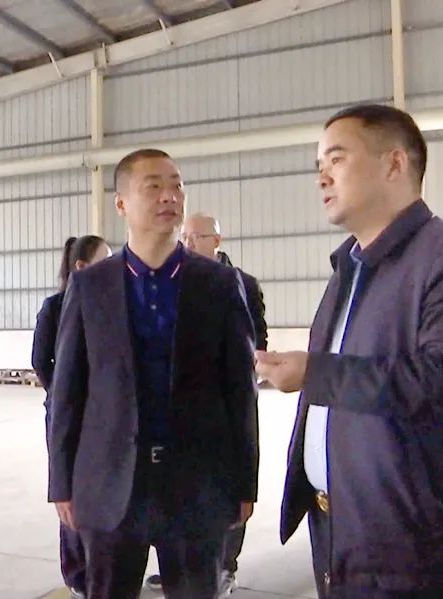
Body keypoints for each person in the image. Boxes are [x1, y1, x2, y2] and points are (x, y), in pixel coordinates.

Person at [255, 104, 443, 598]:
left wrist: (315, 374)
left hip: (413, 542)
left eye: (336, 159)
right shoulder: (349, 267)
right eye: (319, 166)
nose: (322, 177)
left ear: (395, 163)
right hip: (341, 529)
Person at [47, 148, 259, 599]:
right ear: (122, 204)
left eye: (177, 185)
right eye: (154, 187)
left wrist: (244, 481)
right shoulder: (91, 286)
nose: (170, 196)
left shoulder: (218, 284)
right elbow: (67, 391)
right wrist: (61, 481)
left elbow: (240, 389)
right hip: (111, 481)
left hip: (197, 483)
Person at [145, 212, 267, 597]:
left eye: (197, 236)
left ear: (217, 240)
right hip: (178, 409)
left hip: (224, 403)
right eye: (185, 236)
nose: (188, 243)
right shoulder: (171, 282)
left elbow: (255, 340)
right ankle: (178, 565)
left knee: (227, 488)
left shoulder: (242, 284)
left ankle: (225, 566)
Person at [32, 234, 111, 599]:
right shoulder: (55, 307)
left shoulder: (111, 306)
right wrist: (64, 395)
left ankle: (104, 569)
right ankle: (78, 574)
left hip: (104, 414)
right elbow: (41, 360)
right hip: (67, 416)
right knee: (71, 497)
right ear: (81, 267)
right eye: (104, 259)